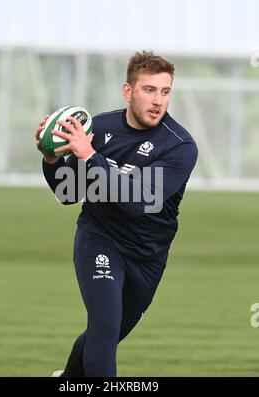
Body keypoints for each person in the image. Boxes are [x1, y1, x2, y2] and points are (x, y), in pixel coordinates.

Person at [35, 50, 198, 377]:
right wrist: (52, 160)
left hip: (148, 256)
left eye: (165, 91)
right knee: (105, 325)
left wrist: (91, 156)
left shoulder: (179, 146)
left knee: (107, 334)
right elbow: (68, 193)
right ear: (128, 91)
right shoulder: (99, 128)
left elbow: (139, 201)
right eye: (149, 90)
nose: (158, 101)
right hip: (101, 239)